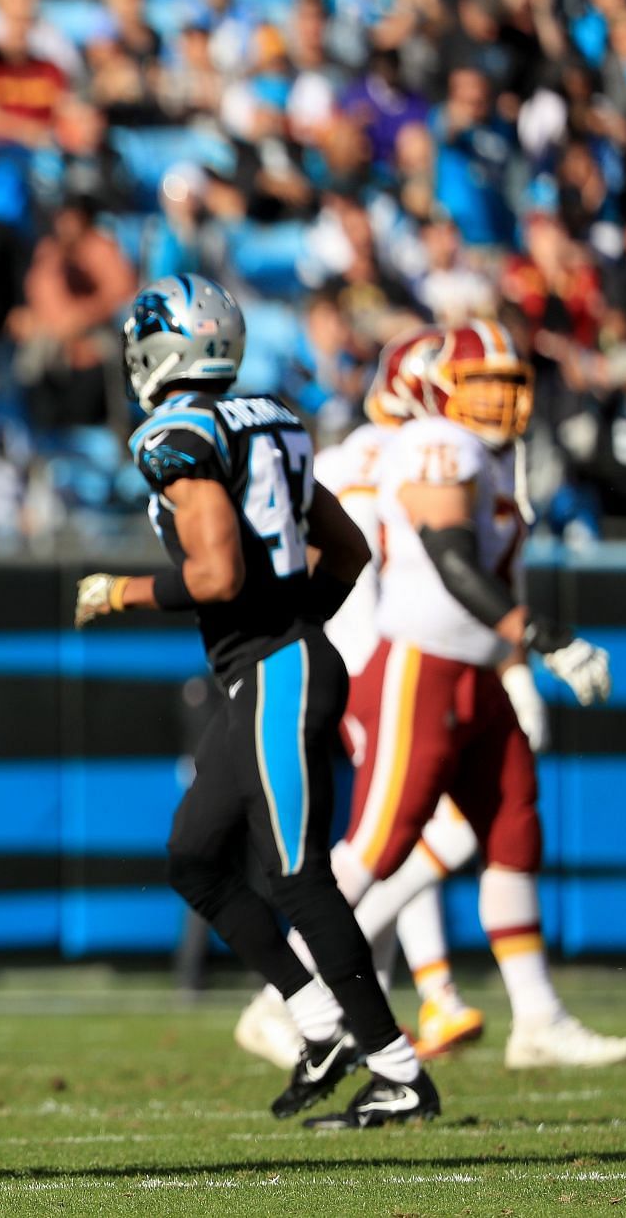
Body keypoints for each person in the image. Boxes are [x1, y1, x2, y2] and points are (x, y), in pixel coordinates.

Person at [75, 275, 440, 1129]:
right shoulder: (270, 417)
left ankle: (398, 1070)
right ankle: (318, 1024)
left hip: (275, 670)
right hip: (278, 666)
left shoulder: (175, 433)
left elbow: (217, 574)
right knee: (195, 857)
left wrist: (118, 592)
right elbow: (346, 550)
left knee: (297, 876)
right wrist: (299, 631)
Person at [323, 322, 626, 1069]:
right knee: (382, 840)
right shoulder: (437, 446)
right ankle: (288, 990)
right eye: (481, 381)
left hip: (473, 664)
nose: (500, 399)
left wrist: (513, 661)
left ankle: (531, 1014)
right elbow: (452, 559)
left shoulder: (483, 455)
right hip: (415, 662)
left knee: (512, 826)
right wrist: (540, 637)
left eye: (509, 382)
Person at [235, 329, 500, 1069]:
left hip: (366, 657)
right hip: (382, 659)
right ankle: (293, 994)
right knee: (408, 834)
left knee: (406, 830)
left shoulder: (366, 452)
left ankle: (410, 998)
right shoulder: (405, 453)